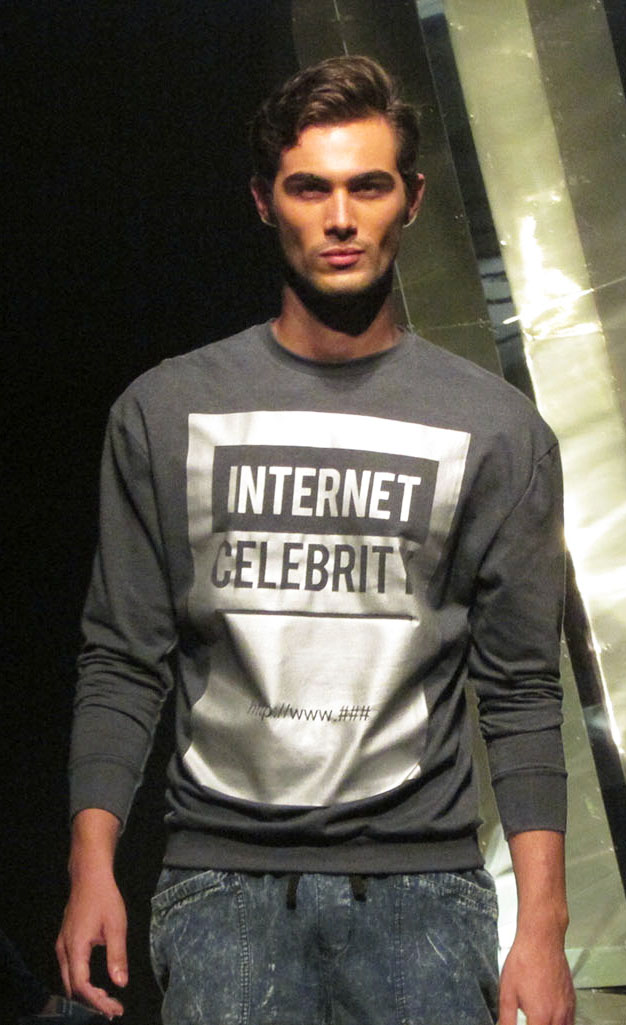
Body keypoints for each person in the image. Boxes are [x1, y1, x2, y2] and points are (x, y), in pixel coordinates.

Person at [56, 55, 576, 1025]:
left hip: (426, 895)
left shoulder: (497, 430)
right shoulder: (165, 411)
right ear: (264, 200)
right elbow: (123, 657)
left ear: (411, 198)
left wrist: (541, 925)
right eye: (309, 188)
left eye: (367, 186)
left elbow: (520, 689)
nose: (340, 218)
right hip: (219, 891)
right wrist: (92, 867)